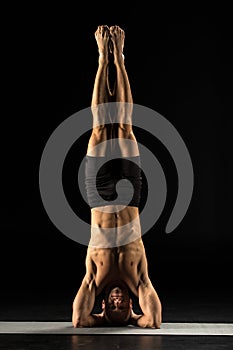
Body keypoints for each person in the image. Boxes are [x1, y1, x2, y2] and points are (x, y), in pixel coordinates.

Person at [72, 25, 162, 328]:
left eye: (112, 307)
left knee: (99, 127)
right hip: (128, 195)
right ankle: (119, 59)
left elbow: (79, 320)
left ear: (103, 305)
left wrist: (100, 321)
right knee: (123, 125)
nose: (118, 301)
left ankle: (102, 58)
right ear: (131, 304)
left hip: (99, 195)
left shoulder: (94, 280)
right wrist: (134, 320)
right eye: (123, 307)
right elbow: (154, 321)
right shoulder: (138, 280)